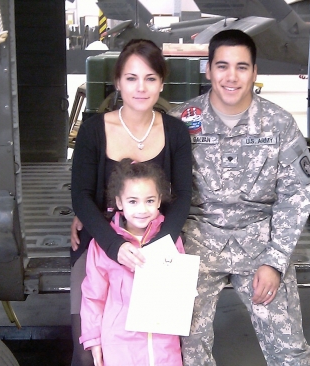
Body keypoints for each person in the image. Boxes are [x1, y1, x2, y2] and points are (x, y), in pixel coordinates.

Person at [169, 29, 310, 366]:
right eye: (222, 66)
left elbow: (298, 191)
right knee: (182, 348)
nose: (231, 77)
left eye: (241, 67)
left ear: (254, 72)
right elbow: (149, 182)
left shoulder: (278, 123)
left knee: (289, 349)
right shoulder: (179, 122)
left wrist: (275, 260)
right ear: (207, 70)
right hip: (196, 242)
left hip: (259, 245)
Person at [70, 39, 192, 366]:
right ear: (118, 82)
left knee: (162, 344)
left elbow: (183, 196)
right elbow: (80, 195)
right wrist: (112, 245)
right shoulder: (95, 129)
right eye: (132, 78)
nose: (141, 87)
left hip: (157, 241)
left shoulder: (176, 132)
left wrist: (160, 245)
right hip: (102, 240)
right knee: (88, 347)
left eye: (150, 78)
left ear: (162, 83)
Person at [80, 159, 184, 366]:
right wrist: (93, 339)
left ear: (159, 200)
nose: (142, 209)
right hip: (119, 343)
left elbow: (178, 289)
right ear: (119, 202)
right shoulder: (103, 245)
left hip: (164, 342)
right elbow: (93, 296)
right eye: (133, 201)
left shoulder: (170, 240)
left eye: (150, 201)